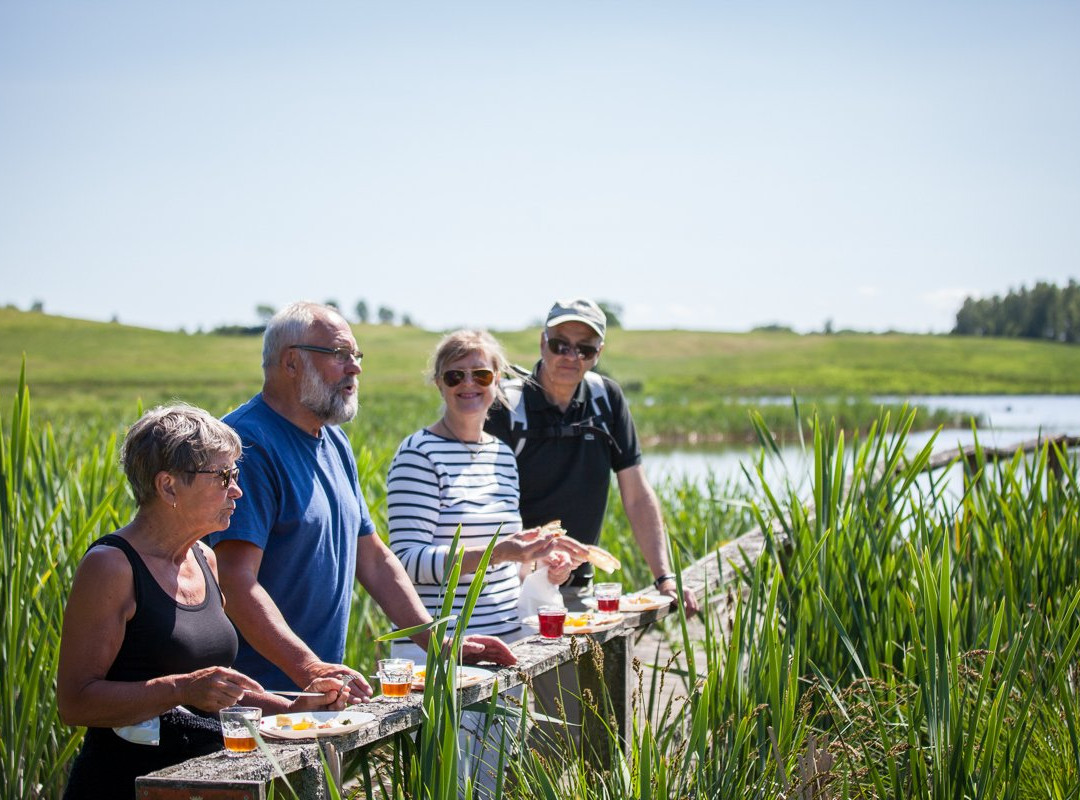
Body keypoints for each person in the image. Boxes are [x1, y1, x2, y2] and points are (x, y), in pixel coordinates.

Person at [208, 302, 514, 703]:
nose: (355, 368)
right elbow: (234, 579)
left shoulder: (333, 440)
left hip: (323, 691)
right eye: (339, 355)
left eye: (356, 355)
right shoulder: (246, 444)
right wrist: (309, 669)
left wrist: (436, 639)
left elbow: (372, 557)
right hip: (259, 699)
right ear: (291, 362)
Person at [57, 404, 339, 799]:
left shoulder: (204, 559)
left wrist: (294, 708)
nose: (237, 489)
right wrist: (178, 689)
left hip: (203, 784)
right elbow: (75, 702)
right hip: (126, 786)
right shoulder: (111, 567)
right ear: (168, 485)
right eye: (224, 476)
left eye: (236, 474)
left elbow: (212, 690)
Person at [386, 329, 588, 796]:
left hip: (505, 648)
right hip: (444, 653)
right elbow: (407, 562)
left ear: (497, 381)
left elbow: (512, 568)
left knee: (493, 784)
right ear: (438, 382)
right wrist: (503, 551)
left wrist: (544, 566)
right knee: (450, 786)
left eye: (480, 373)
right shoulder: (418, 454)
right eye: (455, 374)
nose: (468, 384)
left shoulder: (501, 456)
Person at [485, 298, 699, 613]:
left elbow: (637, 495)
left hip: (578, 588)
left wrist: (664, 577)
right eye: (560, 345)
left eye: (584, 349)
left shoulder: (606, 399)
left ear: (598, 354)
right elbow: (488, 505)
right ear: (543, 342)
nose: (571, 357)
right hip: (511, 590)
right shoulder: (505, 405)